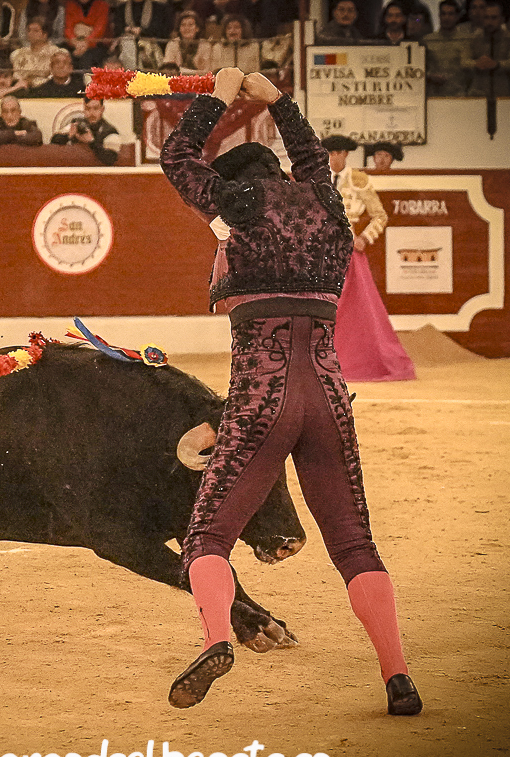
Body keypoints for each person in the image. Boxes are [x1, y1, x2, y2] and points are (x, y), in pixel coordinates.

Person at [160, 68, 421, 715]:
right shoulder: (329, 207)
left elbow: (177, 157)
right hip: (329, 394)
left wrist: (217, 96)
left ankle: (216, 639)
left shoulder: (238, 208)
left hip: (260, 396)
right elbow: (312, 159)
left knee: (207, 539)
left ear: (234, 185)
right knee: (354, 543)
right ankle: (397, 674)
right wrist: (279, 102)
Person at [323, 133, 415, 383]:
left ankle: (356, 360)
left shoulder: (358, 180)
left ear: (345, 155)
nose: (333, 158)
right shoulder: (318, 179)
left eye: (337, 153)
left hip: (348, 252)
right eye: (329, 154)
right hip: (322, 250)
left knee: (357, 307)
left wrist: (364, 238)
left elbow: (380, 216)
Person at [462, 0, 510, 97]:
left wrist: (496, 64)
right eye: (486, 17)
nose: (490, 22)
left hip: (503, 92)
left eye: (494, 18)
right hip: (478, 91)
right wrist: (477, 63)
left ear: (502, 19)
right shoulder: (474, 38)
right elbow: (464, 61)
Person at [49, 95, 121, 164]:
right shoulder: (78, 124)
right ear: (84, 109)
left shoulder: (110, 131)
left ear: (102, 109)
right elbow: (53, 142)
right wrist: (68, 136)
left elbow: (110, 159)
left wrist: (91, 141)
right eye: (88, 109)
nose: (91, 113)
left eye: (95, 108)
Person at [422, 0, 471, 96]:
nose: (446, 18)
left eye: (450, 14)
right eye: (443, 14)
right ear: (439, 16)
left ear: (457, 17)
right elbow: (420, 69)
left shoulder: (466, 40)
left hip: (460, 95)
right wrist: (430, 76)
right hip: (434, 96)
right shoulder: (427, 41)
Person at [114, 0, 172, 70]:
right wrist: (128, 30)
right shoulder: (121, 8)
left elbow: (161, 31)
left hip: (151, 43)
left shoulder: (158, 8)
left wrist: (142, 31)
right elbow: (117, 29)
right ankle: (131, 72)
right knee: (128, 43)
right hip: (127, 43)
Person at [11, 16, 63, 89]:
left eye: (35, 31)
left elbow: (54, 77)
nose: (30, 33)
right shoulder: (20, 53)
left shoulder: (56, 53)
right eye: (29, 30)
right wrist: (23, 82)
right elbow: (16, 74)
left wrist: (33, 82)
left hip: (46, 89)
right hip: (22, 89)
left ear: (45, 35)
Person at [64, 0, 111, 70]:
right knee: (65, 56)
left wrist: (86, 43)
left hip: (97, 44)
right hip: (75, 44)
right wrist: (76, 43)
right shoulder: (70, 4)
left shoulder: (102, 5)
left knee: (87, 59)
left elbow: (99, 29)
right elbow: (68, 28)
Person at [163, 10, 212, 75]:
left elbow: (207, 71)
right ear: (179, 28)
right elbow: (168, 68)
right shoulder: (172, 43)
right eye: (183, 25)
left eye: (190, 25)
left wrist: (181, 70)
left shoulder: (205, 45)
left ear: (197, 28)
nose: (186, 28)